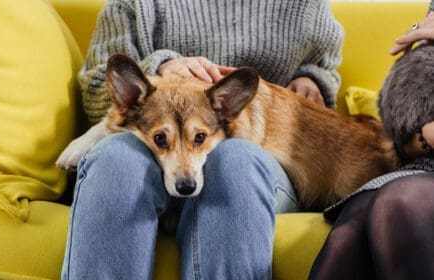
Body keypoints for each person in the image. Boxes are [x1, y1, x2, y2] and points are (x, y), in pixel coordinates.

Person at [61, 0, 343, 279]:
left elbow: (323, 66)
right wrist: (160, 67)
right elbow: (98, 87)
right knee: (116, 159)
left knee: (234, 160)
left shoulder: (305, 5)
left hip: (256, 152)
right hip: (146, 147)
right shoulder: (132, 4)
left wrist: (313, 80)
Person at [309, 2, 434, 279]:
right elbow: (409, 142)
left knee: (401, 202)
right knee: (348, 235)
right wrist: (424, 134)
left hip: (413, 188)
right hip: (420, 169)